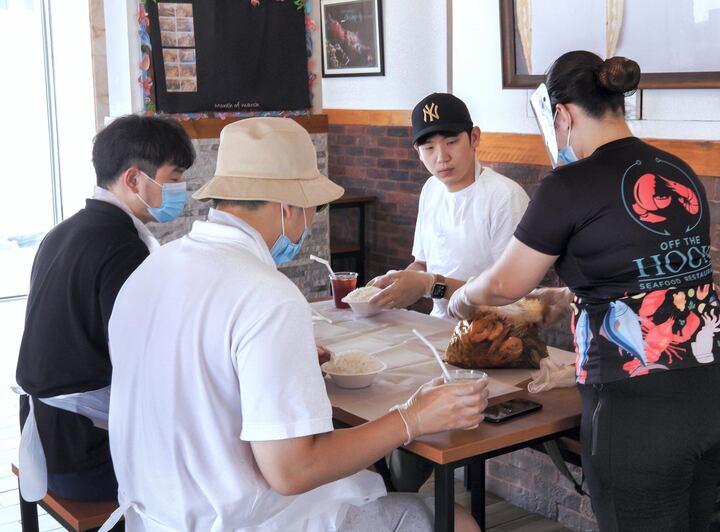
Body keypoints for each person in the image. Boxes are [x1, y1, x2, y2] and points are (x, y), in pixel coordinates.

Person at [103, 117, 486, 532]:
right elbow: (292, 471)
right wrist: (412, 418)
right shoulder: (267, 294)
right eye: (312, 208)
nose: (308, 222)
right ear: (288, 206)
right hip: (242, 520)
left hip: (155, 512)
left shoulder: (152, 267)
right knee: (452, 521)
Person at [448, 51, 720, 532]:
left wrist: (463, 297)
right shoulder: (677, 169)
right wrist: (569, 299)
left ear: (561, 114)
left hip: (642, 415)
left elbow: (506, 283)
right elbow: (653, 277)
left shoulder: (569, 184)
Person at [15, 115, 195, 502]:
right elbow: (142, 364)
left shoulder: (64, 232)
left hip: (49, 438)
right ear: (134, 180)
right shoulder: (123, 249)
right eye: (175, 176)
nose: (182, 189)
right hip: (88, 457)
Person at [368, 92, 529, 320]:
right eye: (429, 148)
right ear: (418, 152)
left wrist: (431, 285)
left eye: (452, 142)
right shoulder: (431, 189)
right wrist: (396, 282)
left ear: (474, 138)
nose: (442, 157)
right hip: (438, 326)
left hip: (497, 332)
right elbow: (423, 264)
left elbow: (510, 294)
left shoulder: (505, 197)